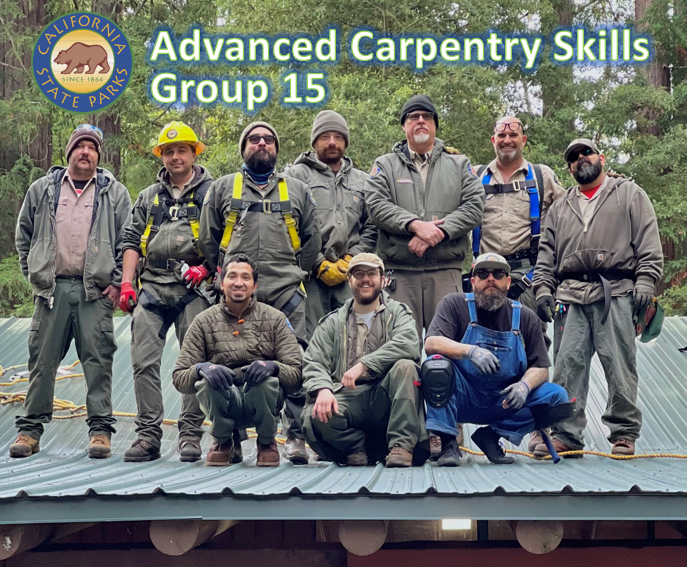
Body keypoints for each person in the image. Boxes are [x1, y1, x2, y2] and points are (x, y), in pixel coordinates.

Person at [199, 121, 321, 465]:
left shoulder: (297, 189)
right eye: (254, 139)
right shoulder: (223, 188)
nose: (262, 143)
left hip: (286, 291)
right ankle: (231, 440)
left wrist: (298, 270)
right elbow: (208, 239)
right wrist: (226, 275)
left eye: (269, 139)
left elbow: (313, 239)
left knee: (293, 362)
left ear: (276, 149)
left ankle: (295, 436)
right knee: (228, 360)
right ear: (244, 148)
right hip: (237, 292)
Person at [532, 138, 663, 457]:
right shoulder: (561, 207)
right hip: (571, 295)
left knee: (620, 365)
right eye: (573, 157)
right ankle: (566, 433)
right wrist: (543, 289)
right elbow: (546, 254)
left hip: (616, 291)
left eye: (586, 152)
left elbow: (649, 242)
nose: (580, 159)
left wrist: (646, 281)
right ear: (569, 167)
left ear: (601, 157)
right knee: (567, 366)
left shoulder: (630, 194)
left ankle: (624, 432)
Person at [12, 124, 132, 459]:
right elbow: (24, 237)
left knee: (98, 361)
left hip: (95, 292)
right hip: (52, 291)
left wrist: (117, 281)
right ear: (69, 153)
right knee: (42, 360)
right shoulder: (43, 189)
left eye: (92, 148)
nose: (85, 152)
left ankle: (100, 431)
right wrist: (35, 275)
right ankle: (29, 431)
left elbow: (130, 239)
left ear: (98, 155)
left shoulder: (114, 192)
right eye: (80, 146)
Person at [119, 122, 212, 463]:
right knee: (143, 362)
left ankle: (190, 434)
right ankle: (148, 436)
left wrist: (209, 269)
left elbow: (226, 238)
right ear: (162, 155)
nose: (175, 156)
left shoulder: (211, 193)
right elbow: (131, 240)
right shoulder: (148, 196)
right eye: (169, 151)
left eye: (181, 150)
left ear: (193, 154)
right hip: (154, 286)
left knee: (196, 363)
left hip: (194, 287)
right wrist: (128, 283)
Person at [423, 253, 568, 466]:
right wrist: (471, 351)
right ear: (472, 281)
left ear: (508, 282)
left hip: (504, 401)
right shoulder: (454, 304)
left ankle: (491, 436)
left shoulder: (525, 316)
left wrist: (525, 386)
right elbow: (431, 343)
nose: (490, 278)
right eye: (483, 273)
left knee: (557, 396)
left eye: (498, 273)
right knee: (435, 365)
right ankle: (447, 442)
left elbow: (541, 367)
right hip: (463, 396)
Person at [365, 94, 484, 346]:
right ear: (403, 125)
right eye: (413, 116)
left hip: (445, 272)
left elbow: (475, 207)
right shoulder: (384, 165)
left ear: (435, 124)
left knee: (448, 351)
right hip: (400, 275)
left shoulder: (460, 164)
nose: (420, 121)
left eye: (427, 116)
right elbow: (375, 205)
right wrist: (414, 225)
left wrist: (439, 233)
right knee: (398, 352)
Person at [172, 253, 303, 467]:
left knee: (266, 381)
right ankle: (223, 442)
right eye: (232, 276)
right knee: (207, 382)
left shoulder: (275, 319)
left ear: (254, 285)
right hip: (225, 398)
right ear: (221, 283)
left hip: (262, 401)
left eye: (245, 277)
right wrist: (202, 368)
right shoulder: (203, 322)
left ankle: (267, 442)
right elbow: (179, 378)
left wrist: (273, 367)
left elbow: (297, 375)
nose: (239, 283)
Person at [301, 253, 428, 467]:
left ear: (382, 279)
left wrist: (365, 364)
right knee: (316, 414)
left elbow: (409, 343)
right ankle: (356, 448)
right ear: (349, 280)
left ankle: (401, 446)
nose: (365, 279)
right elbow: (314, 361)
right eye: (358, 274)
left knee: (406, 367)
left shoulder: (398, 313)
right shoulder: (332, 322)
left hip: (386, 395)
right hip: (348, 397)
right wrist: (323, 389)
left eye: (371, 273)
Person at [472, 116, 565, 349]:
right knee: (485, 344)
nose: (507, 140)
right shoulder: (474, 176)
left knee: (532, 344)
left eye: (513, 136)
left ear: (523, 140)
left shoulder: (541, 176)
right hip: (487, 275)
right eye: (501, 136)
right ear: (493, 140)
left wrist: (605, 184)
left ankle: (531, 385)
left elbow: (574, 208)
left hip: (528, 276)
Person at [285, 110, 377, 341]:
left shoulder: (364, 181)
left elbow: (372, 225)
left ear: (345, 142)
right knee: (312, 341)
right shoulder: (294, 176)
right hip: (309, 277)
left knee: (354, 339)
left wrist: (353, 259)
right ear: (315, 141)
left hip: (352, 276)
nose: (332, 143)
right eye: (325, 137)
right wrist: (317, 263)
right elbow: (287, 225)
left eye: (338, 137)